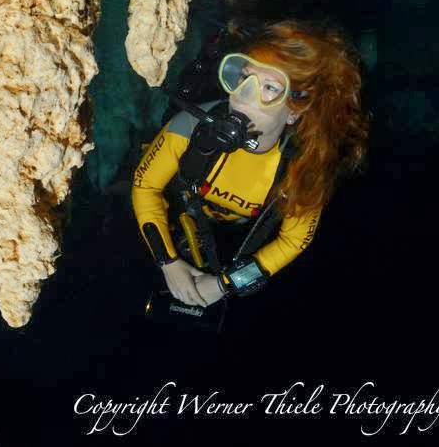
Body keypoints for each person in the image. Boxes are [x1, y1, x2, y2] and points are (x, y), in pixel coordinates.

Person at [131, 20, 368, 307]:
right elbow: (145, 186)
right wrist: (167, 262)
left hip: (237, 241)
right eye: (244, 77)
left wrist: (224, 285)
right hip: (173, 218)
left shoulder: (305, 168)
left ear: (295, 110)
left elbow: (294, 240)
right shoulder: (190, 127)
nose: (241, 97)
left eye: (269, 87)